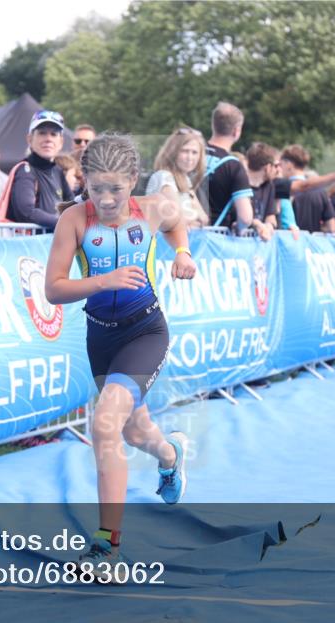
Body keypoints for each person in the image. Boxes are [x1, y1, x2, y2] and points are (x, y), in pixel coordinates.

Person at [44, 133, 196, 576]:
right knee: (134, 431)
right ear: (84, 182)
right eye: (97, 189)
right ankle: (170, 456)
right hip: (101, 338)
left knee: (105, 423)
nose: (107, 200)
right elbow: (53, 289)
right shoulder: (74, 220)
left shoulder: (151, 209)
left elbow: (176, 220)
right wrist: (102, 282)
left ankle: (106, 547)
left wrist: (182, 253)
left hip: (145, 331)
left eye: (116, 188)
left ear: (133, 179)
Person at [204, 102, 271, 241]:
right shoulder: (233, 165)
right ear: (236, 131)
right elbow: (245, 217)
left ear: (213, 125)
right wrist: (239, 228)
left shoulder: (191, 154)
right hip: (213, 240)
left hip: (181, 237)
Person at [5, 109, 72, 230]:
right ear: (30, 139)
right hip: (30, 241)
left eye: (54, 134)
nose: (48, 139)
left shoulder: (57, 171)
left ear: (61, 142)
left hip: (55, 240)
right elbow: (26, 212)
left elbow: (73, 205)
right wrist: (64, 223)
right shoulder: (25, 170)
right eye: (42, 133)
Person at [145, 127, 209, 229]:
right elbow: (178, 218)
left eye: (194, 152)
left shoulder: (186, 180)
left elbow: (204, 218)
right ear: (173, 152)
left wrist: (193, 220)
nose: (189, 157)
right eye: (185, 151)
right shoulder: (164, 177)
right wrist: (195, 219)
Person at [245, 142, 280, 232]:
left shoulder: (269, 185)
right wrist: (257, 224)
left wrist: (269, 225)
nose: (278, 170)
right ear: (267, 167)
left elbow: (271, 215)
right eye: (276, 166)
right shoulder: (240, 184)